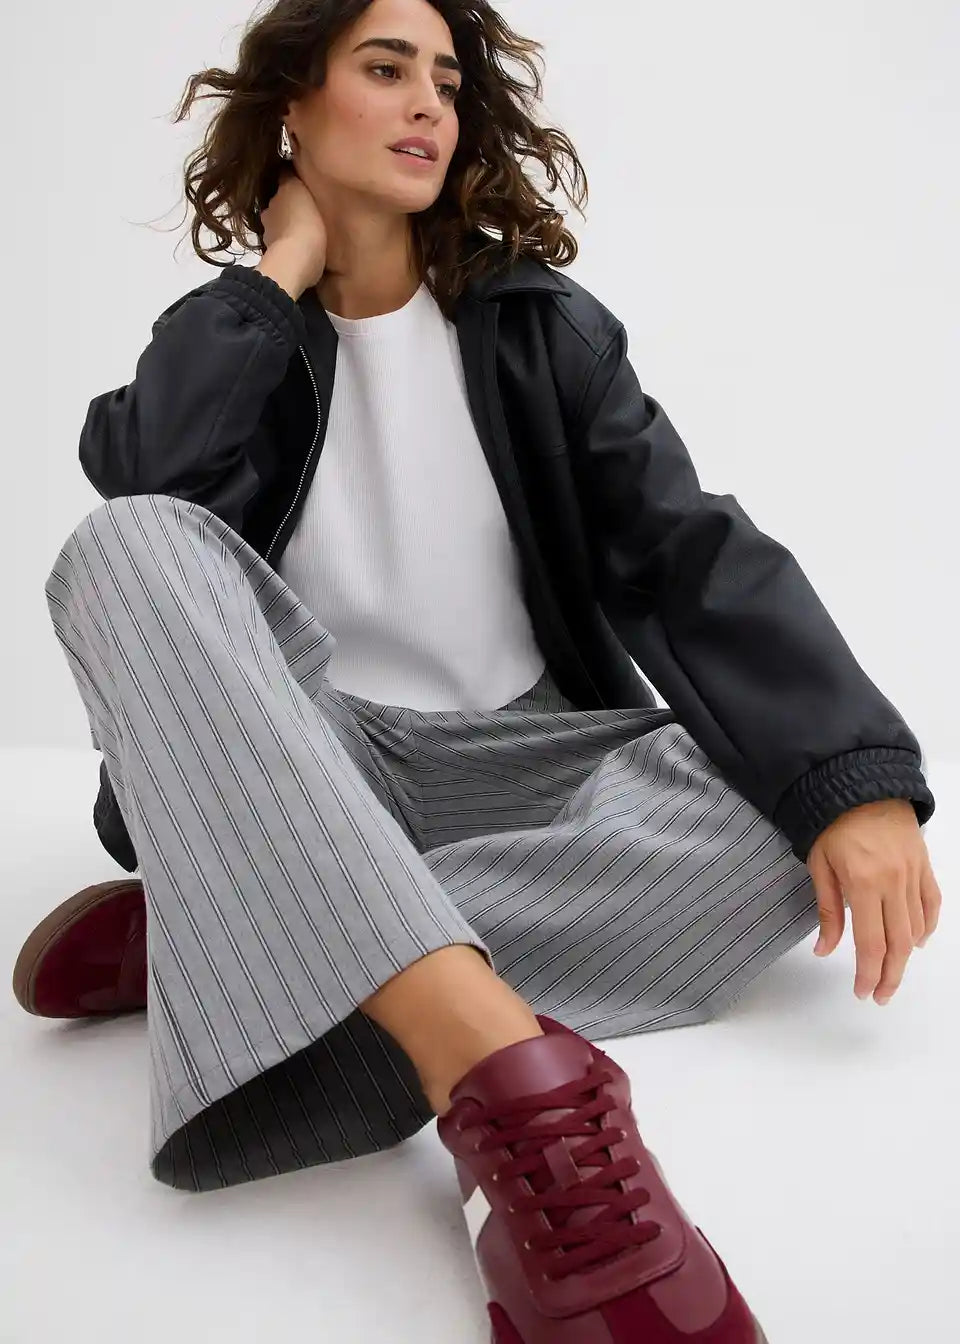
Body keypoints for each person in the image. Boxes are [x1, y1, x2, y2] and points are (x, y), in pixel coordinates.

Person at [16, 0, 941, 1340]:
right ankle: (486, 1060)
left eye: (447, 83)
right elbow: (148, 480)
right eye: (386, 69)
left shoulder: (535, 330)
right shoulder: (233, 336)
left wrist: (851, 779)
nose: (427, 106)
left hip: (528, 751)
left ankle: (240, 931)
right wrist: (279, 270)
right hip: (317, 758)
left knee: (783, 825)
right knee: (124, 548)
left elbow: (683, 547)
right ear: (294, 106)